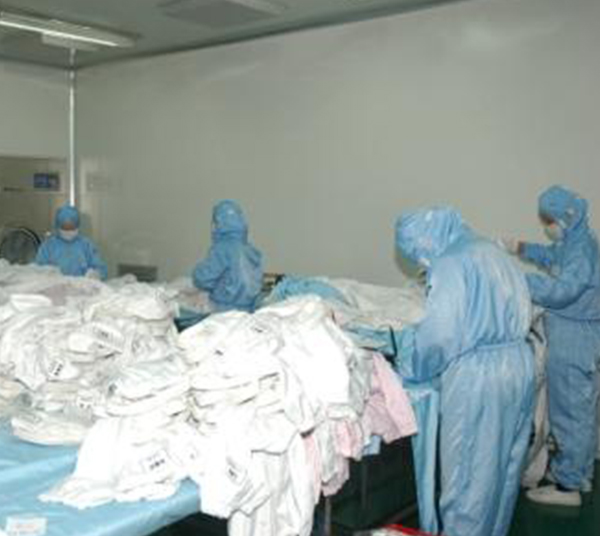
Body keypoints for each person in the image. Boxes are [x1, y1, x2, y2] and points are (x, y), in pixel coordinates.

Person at [395, 207, 534, 536]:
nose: (420, 257)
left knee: (468, 477)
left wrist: (411, 367)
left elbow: (440, 335)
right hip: (519, 363)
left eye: (416, 249)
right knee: (501, 471)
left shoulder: (451, 263)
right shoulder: (491, 251)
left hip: (479, 376)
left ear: (426, 238)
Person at [509, 185, 600, 507]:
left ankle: (567, 486)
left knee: (570, 414)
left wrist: (518, 281)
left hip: (574, 340)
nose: (547, 225)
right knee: (579, 413)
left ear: (566, 217)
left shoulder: (582, 252)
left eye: (549, 220)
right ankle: (579, 474)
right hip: (576, 336)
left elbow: (562, 291)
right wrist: (522, 248)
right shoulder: (574, 241)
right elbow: (553, 256)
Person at [193, 200, 263, 312]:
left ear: (218, 224)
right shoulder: (250, 249)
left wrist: (196, 273)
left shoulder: (222, 248)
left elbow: (205, 278)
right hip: (249, 308)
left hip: (225, 308)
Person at [35, 205, 108, 279]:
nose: (68, 231)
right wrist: (48, 274)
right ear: (58, 226)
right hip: (54, 285)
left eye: (72, 228)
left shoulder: (86, 245)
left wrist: (95, 274)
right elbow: (38, 269)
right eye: (65, 228)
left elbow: (100, 267)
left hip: (82, 285)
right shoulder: (48, 246)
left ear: (77, 226)